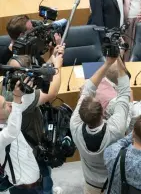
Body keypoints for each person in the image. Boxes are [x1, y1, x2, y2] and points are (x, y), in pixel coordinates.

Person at [1, 48, 64, 194]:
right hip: (32, 151)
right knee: (42, 179)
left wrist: (52, 59)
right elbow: (52, 92)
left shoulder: (5, 87)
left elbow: (37, 74)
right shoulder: (23, 97)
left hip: (17, 154)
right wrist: (57, 66)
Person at [70, 56, 131, 194]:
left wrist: (108, 63)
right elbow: (125, 92)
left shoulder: (75, 126)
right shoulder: (115, 130)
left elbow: (87, 89)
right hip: (112, 184)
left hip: (90, 183)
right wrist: (117, 59)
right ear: (102, 112)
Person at [0, 80, 41, 193]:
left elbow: (26, 102)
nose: (9, 104)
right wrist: (17, 98)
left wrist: (28, 89)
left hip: (34, 184)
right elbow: (11, 133)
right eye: (4, 105)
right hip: (22, 189)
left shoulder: (9, 116)